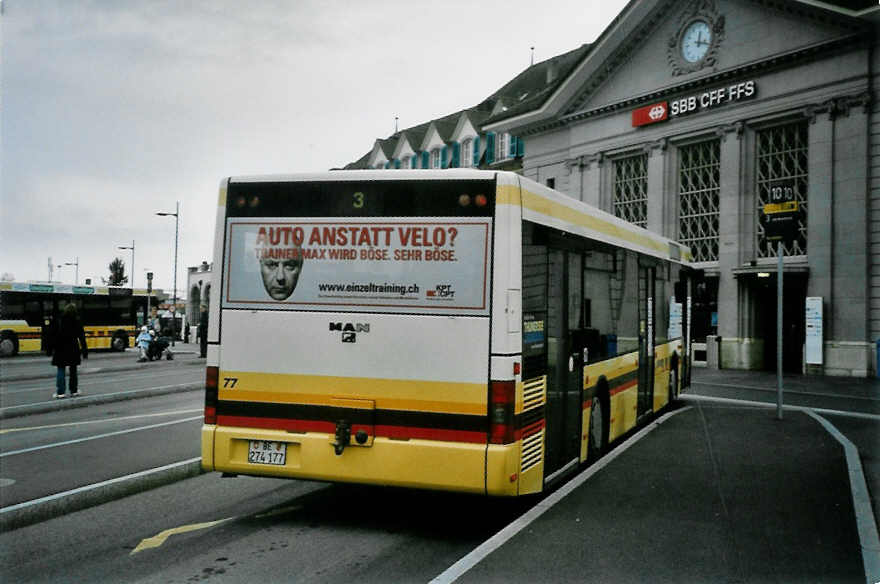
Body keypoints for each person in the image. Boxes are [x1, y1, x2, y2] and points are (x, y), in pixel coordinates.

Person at [46, 303, 88, 398]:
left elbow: (51, 336)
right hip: (73, 348)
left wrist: (49, 350)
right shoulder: (77, 321)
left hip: (60, 348)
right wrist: (85, 351)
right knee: (73, 370)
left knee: (61, 369)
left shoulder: (58, 320)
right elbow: (82, 337)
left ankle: (61, 392)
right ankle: (74, 391)